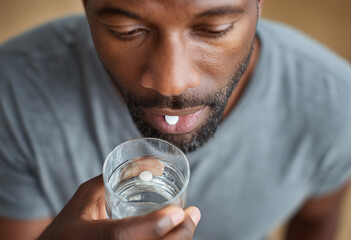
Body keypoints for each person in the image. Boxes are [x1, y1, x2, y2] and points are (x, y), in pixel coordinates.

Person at [0, 0, 350, 239]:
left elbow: (315, 223)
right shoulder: (12, 92)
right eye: (126, 30)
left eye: (215, 29)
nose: (172, 81)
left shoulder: (334, 101)